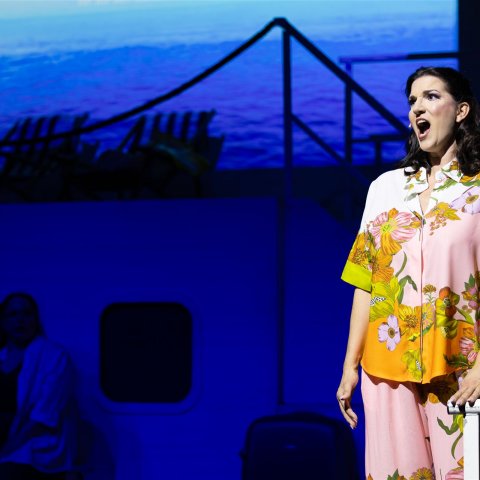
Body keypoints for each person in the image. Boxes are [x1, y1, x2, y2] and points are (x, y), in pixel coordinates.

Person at [337, 66, 480, 480]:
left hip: (463, 367)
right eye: (413, 100)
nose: (418, 107)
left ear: (461, 111)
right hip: (386, 370)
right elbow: (366, 282)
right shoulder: (385, 188)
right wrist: (350, 367)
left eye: (431, 97)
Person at [0, 292, 81, 480]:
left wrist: (7, 449)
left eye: (26, 313)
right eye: (13, 314)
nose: (20, 320)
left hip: (32, 441)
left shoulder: (55, 357)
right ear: (3, 321)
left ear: (35, 319)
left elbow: (43, 418)